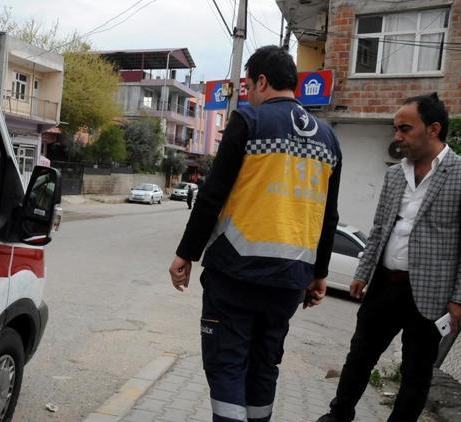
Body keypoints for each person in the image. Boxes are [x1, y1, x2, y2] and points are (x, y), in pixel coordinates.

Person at [168, 45, 341, 422]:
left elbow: (213, 195)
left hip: (236, 273)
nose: (248, 93)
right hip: (290, 280)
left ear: (262, 81)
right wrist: (319, 274)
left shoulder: (249, 123)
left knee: (228, 365)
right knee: (264, 366)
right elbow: (329, 215)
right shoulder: (329, 139)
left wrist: (186, 254)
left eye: (248, 85)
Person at [317, 93, 461, 422]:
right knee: (359, 356)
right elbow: (380, 226)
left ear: (433, 129)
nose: (397, 136)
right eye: (396, 128)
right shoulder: (396, 174)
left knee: (416, 372)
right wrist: (363, 272)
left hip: (431, 294)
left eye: (405, 128)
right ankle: (338, 415)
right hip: (385, 284)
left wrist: (458, 298)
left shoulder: (458, 173)